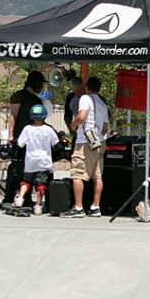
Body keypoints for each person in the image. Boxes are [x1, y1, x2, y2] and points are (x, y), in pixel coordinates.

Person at [61, 76, 109, 218]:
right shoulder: (102, 103)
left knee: (77, 173)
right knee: (97, 175)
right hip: (99, 140)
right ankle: (95, 206)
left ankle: (78, 207)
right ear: (99, 89)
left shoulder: (85, 99)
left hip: (85, 140)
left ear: (86, 87)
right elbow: (105, 128)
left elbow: (82, 115)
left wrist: (73, 125)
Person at [5, 70, 46, 205]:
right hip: (19, 137)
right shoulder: (19, 96)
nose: (42, 87)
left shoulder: (36, 99)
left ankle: (26, 197)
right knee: (17, 167)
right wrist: (10, 135)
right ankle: (10, 196)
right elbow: (13, 116)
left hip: (33, 139)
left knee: (29, 169)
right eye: (40, 84)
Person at [14, 103, 59, 215]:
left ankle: (20, 198)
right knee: (41, 184)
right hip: (44, 160)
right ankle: (38, 206)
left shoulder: (27, 129)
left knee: (26, 181)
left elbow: (20, 144)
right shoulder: (48, 129)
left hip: (30, 160)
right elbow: (55, 143)